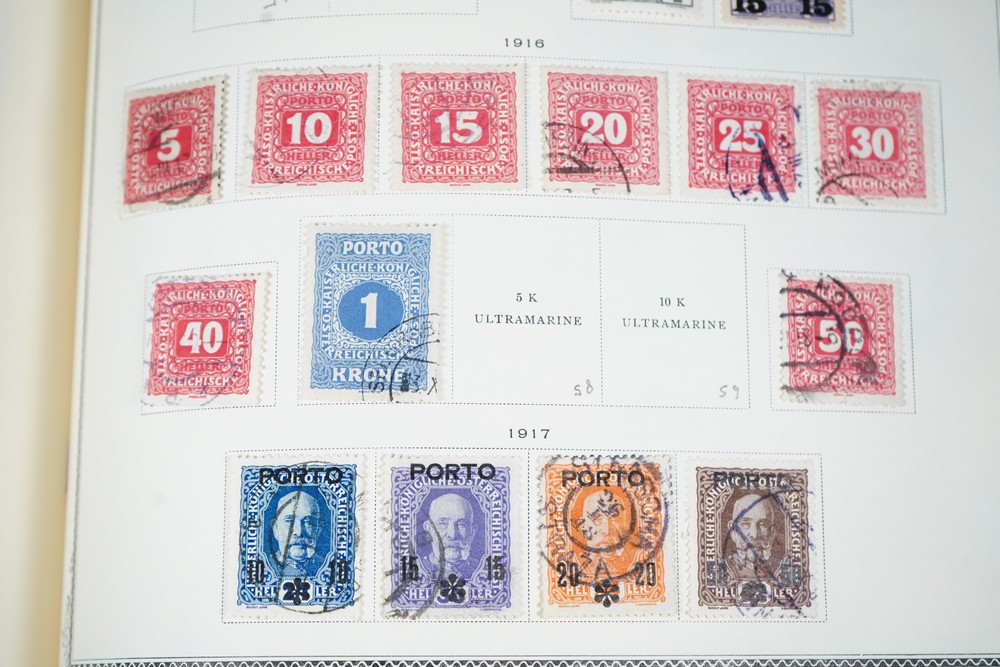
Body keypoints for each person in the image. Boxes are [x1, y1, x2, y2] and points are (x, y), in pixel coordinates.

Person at [724, 492, 784, 580]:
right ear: (733, 530)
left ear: (772, 532)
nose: (755, 535)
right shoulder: (724, 570)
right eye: (745, 524)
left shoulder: (780, 568)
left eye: (763, 524)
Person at [422, 493, 478, 578]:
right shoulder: (416, 569)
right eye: (442, 523)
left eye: (461, 524)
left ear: (472, 532)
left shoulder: (485, 569)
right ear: (428, 530)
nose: (452, 535)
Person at [269, 490, 324, 577]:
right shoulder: (265, 567)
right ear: (276, 529)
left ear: (319, 529)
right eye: (290, 521)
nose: (298, 532)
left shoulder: (329, 567)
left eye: (308, 522)